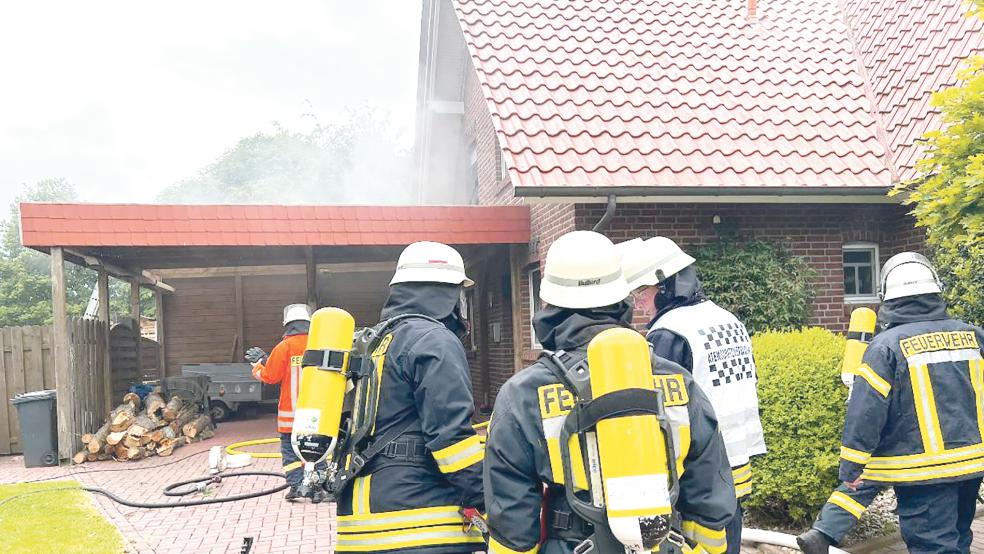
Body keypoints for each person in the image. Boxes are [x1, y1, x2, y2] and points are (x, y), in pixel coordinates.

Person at [484, 230, 736, 554]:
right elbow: (709, 496)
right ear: (622, 300)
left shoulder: (522, 395)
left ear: (548, 305)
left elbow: (512, 523)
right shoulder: (678, 382)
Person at [333, 241, 486, 554]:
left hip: (357, 526)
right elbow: (452, 442)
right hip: (419, 527)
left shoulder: (375, 340)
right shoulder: (434, 340)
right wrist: (491, 499)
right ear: (447, 295)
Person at [830, 252, 984, 554]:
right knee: (958, 538)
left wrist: (851, 466)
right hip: (972, 464)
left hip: (921, 475)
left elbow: (865, 412)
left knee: (933, 546)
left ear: (887, 298)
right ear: (936, 290)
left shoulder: (886, 348)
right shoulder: (973, 336)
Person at [620, 237, 766, 554]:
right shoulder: (728, 320)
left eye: (642, 292)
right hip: (735, 466)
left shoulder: (670, 331)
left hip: (697, 474)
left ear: (667, 286)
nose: (638, 303)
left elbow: (661, 410)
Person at [246, 303, 316, 501]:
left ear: (287, 324)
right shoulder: (318, 343)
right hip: (317, 414)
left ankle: (296, 487)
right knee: (316, 449)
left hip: (290, 415)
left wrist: (257, 366)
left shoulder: (284, 347)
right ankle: (319, 487)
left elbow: (271, 377)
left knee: (290, 451)